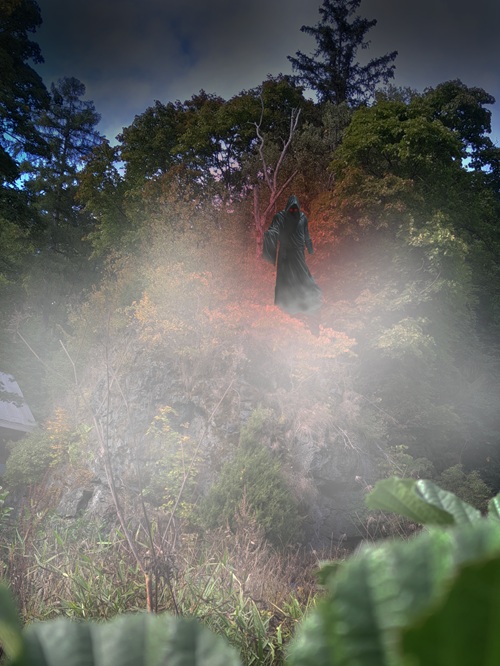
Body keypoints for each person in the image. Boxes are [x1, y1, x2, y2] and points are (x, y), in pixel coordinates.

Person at [262, 194, 322, 314]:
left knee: (303, 276)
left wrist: (310, 249)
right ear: (287, 208)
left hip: (299, 252)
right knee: (284, 278)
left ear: (298, 209)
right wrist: (270, 234)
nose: (293, 211)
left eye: (295, 209)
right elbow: (274, 229)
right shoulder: (280, 217)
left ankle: (307, 303)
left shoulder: (303, 218)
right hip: (285, 253)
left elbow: (306, 235)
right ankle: (283, 305)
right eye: (291, 209)